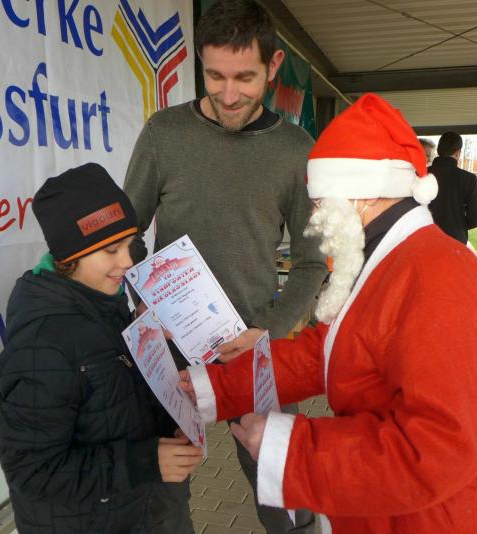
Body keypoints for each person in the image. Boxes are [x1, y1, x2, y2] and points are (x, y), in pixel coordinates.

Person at [181, 94, 477, 532]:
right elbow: (326, 352)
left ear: (363, 195)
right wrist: (216, 387)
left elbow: (438, 449)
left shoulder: (438, 279)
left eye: (321, 201)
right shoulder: (390, 259)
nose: (315, 218)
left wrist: (291, 451)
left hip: (441, 519)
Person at [123, 1, 327, 531]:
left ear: (273, 66)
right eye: (215, 76)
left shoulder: (295, 151)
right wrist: (146, 298)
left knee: (285, 494)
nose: (229, 94)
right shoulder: (164, 134)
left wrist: (270, 330)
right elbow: (126, 235)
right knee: (163, 497)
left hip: (253, 349)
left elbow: (311, 262)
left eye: (245, 78)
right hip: (169, 349)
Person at [0, 163, 203, 533]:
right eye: (111, 250)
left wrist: (173, 419)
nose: (128, 262)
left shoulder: (107, 305)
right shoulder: (42, 348)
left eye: (129, 244)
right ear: (68, 258)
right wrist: (145, 462)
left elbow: (116, 404)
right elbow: (33, 472)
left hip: (136, 512)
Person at [427, 131, 477, 243]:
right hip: (456, 243)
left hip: (424, 241)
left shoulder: (420, 174)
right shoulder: (469, 179)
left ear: (438, 150)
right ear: (458, 153)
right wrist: (458, 225)